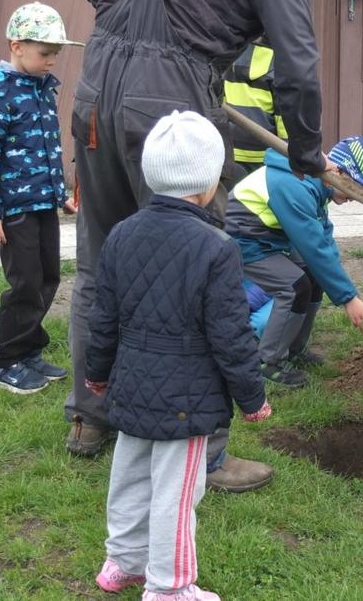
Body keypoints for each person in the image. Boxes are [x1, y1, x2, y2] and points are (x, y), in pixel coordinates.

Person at [61, 0, 345, 494]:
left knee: (100, 261)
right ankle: (206, 451)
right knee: (201, 268)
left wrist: (107, 6)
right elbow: (297, 65)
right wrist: (305, 154)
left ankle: (88, 416)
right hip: (169, 101)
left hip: (97, 85)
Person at [86, 111, 270, 601]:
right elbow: (232, 335)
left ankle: (121, 563)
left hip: (131, 387)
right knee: (177, 494)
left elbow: (101, 317)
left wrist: (98, 375)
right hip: (187, 403)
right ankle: (169, 587)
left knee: (128, 477)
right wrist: (252, 398)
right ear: (209, 184)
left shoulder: (122, 234)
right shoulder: (217, 248)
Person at [0, 1, 82, 394]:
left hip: (41, 205)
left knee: (48, 276)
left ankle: (28, 350)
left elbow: (47, 150)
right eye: (44, 53)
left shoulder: (41, 91)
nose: (52, 61)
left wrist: (59, 196)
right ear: (17, 46)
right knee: (24, 283)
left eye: (56, 54)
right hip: (14, 210)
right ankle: (4, 363)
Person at [224, 136, 363, 389]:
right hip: (245, 243)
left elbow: (323, 239)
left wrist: (342, 285)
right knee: (294, 287)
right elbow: (313, 248)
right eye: (357, 189)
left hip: (270, 240)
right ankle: (268, 361)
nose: (356, 197)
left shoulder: (315, 183)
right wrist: (348, 298)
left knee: (313, 277)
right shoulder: (294, 186)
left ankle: (293, 348)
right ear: (340, 172)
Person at [223, 37, 286, 177]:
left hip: (227, 152)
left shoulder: (226, 56)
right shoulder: (280, 64)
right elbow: (284, 120)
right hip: (265, 157)